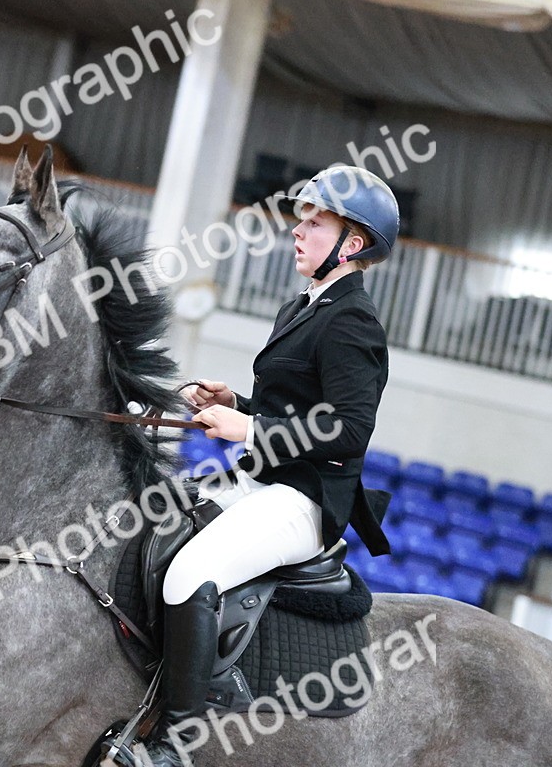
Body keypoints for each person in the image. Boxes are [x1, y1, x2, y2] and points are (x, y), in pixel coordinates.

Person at [141, 165, 398, 767]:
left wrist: (251, 429)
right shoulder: (301, 308)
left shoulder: (352, 320)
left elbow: (350, 429)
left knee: (190, 575)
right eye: (301, 220)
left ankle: (176, 743)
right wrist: (237, 404)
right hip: (261, 482)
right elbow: (299, 409)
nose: (298, 231)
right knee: (156, 534)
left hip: (302, 501)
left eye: (315, 223)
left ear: (352, 244)